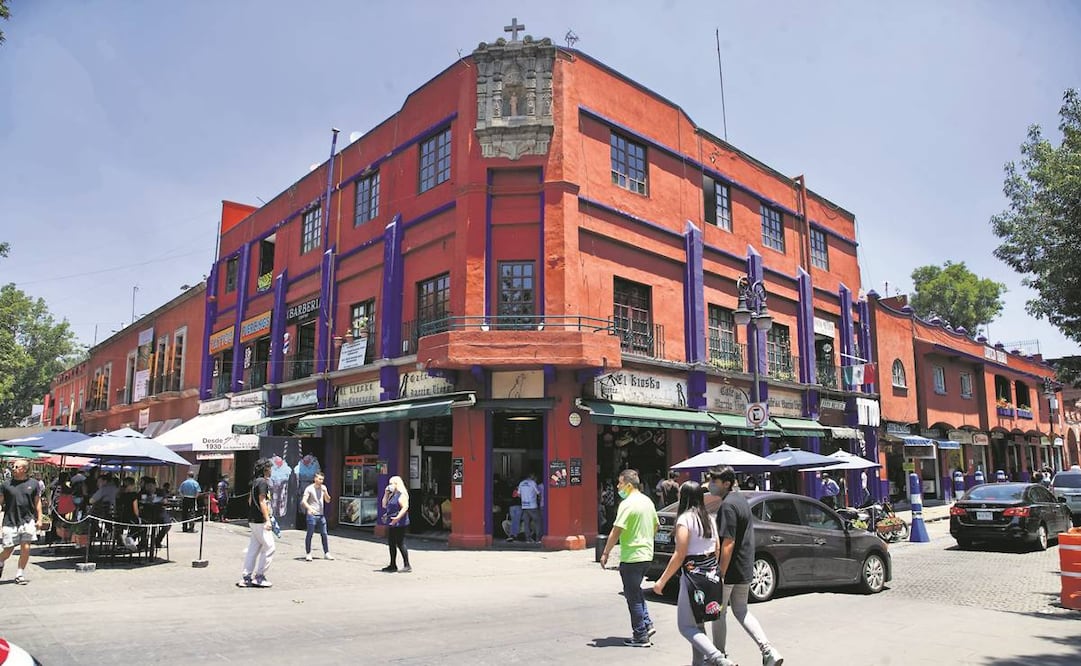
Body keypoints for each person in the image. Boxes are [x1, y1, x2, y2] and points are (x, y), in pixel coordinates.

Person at [652, 481, 734, 666]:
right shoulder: (710, 519)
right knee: (698, 625)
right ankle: (699, 662)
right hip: (712, 572)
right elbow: (718, 548)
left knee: (686, 626)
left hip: (693, 576)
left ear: (684, 497)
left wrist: (661, 581)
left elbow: (679, 554)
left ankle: (718, 658)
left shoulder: (685, 520)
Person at [708, 466, 783, 666]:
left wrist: (720, 573)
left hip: (730, 568)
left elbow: (728, 542)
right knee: (741, 610)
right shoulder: (741, 500)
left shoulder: (727, 506)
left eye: (714, 481)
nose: (710, 485)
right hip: (744, 565)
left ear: (726, 483)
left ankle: (719, 657)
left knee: (719, 612)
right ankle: (768, 650)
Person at [598, 469, 658, 648]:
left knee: (632, 596)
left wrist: (606, 552)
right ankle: (647, 624)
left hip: (632, 556)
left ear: (629, 485)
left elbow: (616, 530)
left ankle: (640, 635)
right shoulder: (648, 501)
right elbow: (655, 526)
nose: (618, 486)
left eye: (620, 483)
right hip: (647, 554)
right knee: (636, 590)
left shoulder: (627, 504)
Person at [0, 459, 44, 584]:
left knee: (26, 547)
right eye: (13, 466)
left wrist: (40, 518)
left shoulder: (34, 484)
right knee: (8, 549)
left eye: (16, 466)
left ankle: (20, 574)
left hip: (27, 520)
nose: (13, 468)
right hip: (10, 521)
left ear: (24, 469)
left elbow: (37, 501)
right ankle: (0, 561)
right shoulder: (6, 485)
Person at [237, 458, 275, 588]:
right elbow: (262, 501)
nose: (271, 470)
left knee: (254, 548)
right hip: (260, 520)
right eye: (270, 468)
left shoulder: (254, 482)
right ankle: (259, 576)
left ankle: (246, 576)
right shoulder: (263, 483)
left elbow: (249, 501)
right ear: (265, 469)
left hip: (252, 519)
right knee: (270, 547)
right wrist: (267, 519)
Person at [301, 471, 333, 561]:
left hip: (321, 515)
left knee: (324, 534)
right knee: (310, 534)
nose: (321, 481)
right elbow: (304, 501)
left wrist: (325, 492)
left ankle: (326, 553)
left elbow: (328, 500)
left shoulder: (323, 488)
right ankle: (308, 553)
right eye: (319, 479)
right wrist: (309, 508)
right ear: (315, 479)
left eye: (322, 479)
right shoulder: (309, 489)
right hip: (312, 515)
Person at [381, 475, 411, 573]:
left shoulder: (402, 494)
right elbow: (384, 505)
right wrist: (386, 493)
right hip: (392, 521)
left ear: (397, 484)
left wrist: (398, 518)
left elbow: (405, 507)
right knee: (391, 543)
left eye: (391, 483)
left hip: (400, 522)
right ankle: (392, 564)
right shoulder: (392, 494)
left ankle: (407, 565)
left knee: (400, 543)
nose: (390, 485)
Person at [517, 471, 543, 543]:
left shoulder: (521, 483)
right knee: (538, 521)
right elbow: (538, 493)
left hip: (524, 506)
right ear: (532, 476)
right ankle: (538, 539)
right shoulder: (533, 483)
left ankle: (528, 539)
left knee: (526, 523)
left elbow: (518, 495)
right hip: (533, 506)